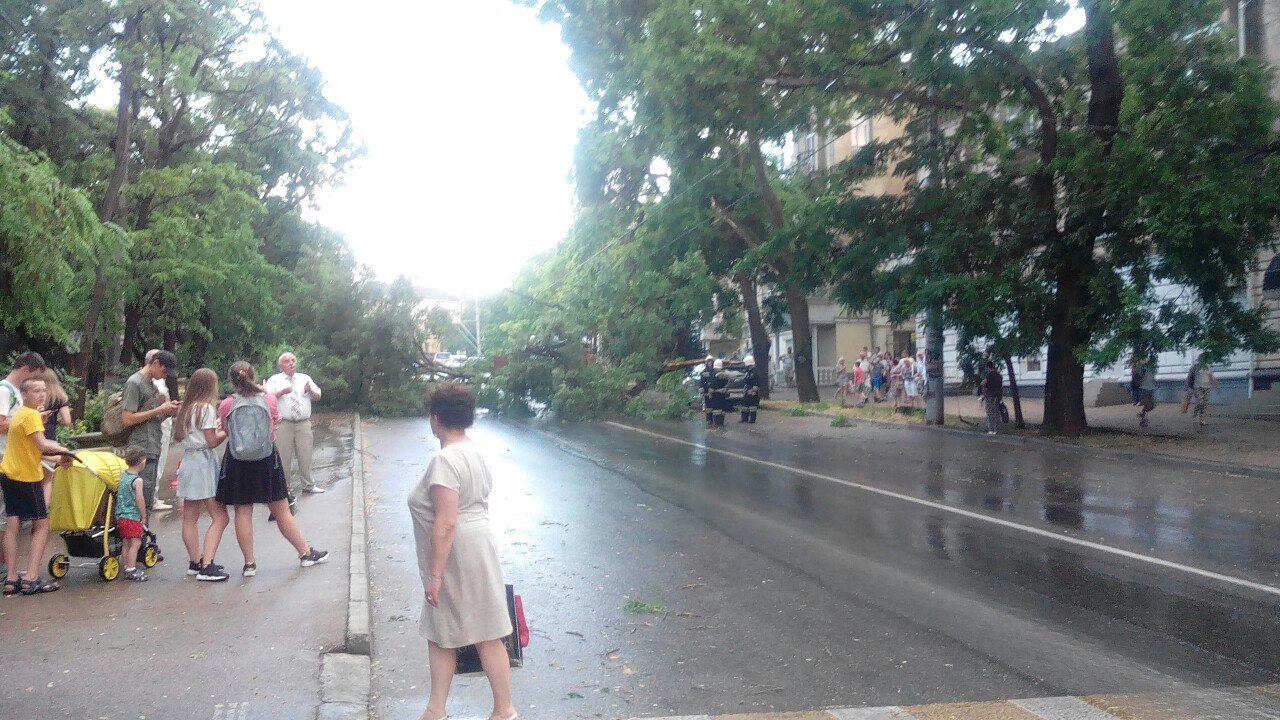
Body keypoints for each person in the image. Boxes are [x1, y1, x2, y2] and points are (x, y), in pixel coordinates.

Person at [408, 383, 518, 720]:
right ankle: (502, 710)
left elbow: (446, 523)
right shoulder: (475, 451)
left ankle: (437, 711)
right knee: (487, 630)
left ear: (436, 419)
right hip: (480, 545)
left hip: (456, 552)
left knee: (443, 632)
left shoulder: (445, 459)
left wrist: (435, 575)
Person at [216, 361, 328, 577]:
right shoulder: (268, 399)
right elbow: (274, 424)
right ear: (253, 375)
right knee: (281, 509)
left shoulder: (227, 404)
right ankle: (305, 553)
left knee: (243, 511)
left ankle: (249, 564)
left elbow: (226, 429)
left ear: (232, 380)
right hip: (267, 459)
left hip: (237, 461)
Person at [2, 376, 76, 595]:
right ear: (24, 395)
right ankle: (31, 578)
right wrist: (64, 452)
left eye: (44, 390)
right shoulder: (32, 415)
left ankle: (12, 578)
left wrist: (55, 458)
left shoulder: (19, 415)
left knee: (12, 524)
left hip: (8, 473)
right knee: (42, 525)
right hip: (26, 478)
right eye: (36, 391)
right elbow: (43, 445)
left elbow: (30, 449)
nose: (42, 394)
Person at [173, 368, 231, 582]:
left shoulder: (186, 409)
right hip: (204, 462)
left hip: (189, 461)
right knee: (221, 517)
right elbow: (212, 441)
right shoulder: (206, 408)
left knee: (190, 517)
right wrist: (225, 431)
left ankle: (195, 561)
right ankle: (208, 564)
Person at [122, 351, 181, 512]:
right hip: (140, 447)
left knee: (147, 498)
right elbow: (127, 419)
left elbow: (152, 419)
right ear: (155, 363)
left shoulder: (152, 385)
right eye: (164, 371)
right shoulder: (134, 383)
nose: (164, 376)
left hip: (153, 445)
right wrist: (158, 410)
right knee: (141, 498)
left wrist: (167, 412)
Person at [265, 352, 325, 494]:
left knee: (306, 454)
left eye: (293, 360)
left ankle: (309, 485)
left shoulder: (304, 378)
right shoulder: (275, 380)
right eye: (287, 361)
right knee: (284, 456)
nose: (291, 363)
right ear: (281, 365)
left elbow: (318, 395)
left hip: (303, 422)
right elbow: (267, 397)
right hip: (283, 423)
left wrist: (311, 390)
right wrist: (281, 392)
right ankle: (284, 488)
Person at [145, 349, 179, 507]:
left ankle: (151, 496)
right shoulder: (156, 382)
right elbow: (160, 402)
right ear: (155, 363)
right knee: (158, 461)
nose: (166, 375)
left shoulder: (152, 380)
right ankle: (152, 497)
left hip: (159, 423)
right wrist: (167, 408)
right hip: (159, 426)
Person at [0, 352, 48, 462]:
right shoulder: (4, 391)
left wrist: (35, 417)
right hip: (4, 456)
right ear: (25, 370)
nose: (35, 380)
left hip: (14, 455)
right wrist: (28, 421)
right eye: (35, 376)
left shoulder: (18, 392)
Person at [39, 368, 73, 506]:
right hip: (50, 439)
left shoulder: (35, 395)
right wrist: (54, 422)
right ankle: (44, 513)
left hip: (35, 437)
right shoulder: (59, 396)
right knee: (47, 481)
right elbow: (67, 421)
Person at [116, 446, 150, 582]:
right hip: (132, 516)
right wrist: (143, 515)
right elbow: (139, 499)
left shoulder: (123, 475)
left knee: (126, 542)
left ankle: (126, 566)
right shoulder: (137, 480)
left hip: (121, 515)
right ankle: (131, 569)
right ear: (142, 461)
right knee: (136, 542)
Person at [1187, 356, 1219, 427]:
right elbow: (1189, 376)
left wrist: (1216, 386)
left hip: (1207, 387)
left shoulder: (1208, 367)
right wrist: (1186, 386)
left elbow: (1211, 377)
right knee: (1200, 402)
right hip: (1197, 387)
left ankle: (1202, 419)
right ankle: (1194, 416)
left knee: (1205, 404)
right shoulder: (1195, 367)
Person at [981, 361, 1004, 435]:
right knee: (996, 412)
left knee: (990, 412)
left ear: (988, 367)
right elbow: (1000, 387)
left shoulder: (989, 375)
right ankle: (996, 429)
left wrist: (983, 383)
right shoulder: (999, 376)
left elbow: (984, 383)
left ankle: (991, 429)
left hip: (990, 396)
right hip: (997, 396)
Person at [1135, 356, 1158, 428]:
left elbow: (1153, 378)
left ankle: (1142, 416)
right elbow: (1138, 376)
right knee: (1147, 404)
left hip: (1151, 388)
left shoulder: (1152, 370)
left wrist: (1156, 385)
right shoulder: (1143, 368)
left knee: (1152, 405)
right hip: (1144, 388)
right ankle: (1143, 420)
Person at [740, 355, 760, 423]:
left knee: (752, 407)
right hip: (747, 390)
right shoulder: (748, 372)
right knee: (745, 406)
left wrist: (753, 391)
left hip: (752, 392)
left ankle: (752, 420)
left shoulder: (755, 372)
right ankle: (744, 419)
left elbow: (757, 383)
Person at [709, 358, 729, 429]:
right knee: (722, 409)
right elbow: (727, 382)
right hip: (722, 394)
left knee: (716, 410)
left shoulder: (714, 374)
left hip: (716, 394)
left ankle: (716, 424)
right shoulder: (725, 374)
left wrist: (710, 392)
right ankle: (721, 424)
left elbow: (712, 384)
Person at [698, 356, 715, 428]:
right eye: (708, 361)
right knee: (708, 407)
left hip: (714, 392)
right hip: (707, 392)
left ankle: (715, 420)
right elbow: (701, 382)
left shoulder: (715, 371)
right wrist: (701, 390)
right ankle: (709, 420)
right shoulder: (704, 372)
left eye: (711, 361)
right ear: (706, 362)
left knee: (714, 406)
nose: (710, 363)